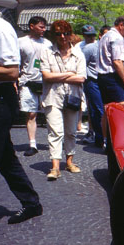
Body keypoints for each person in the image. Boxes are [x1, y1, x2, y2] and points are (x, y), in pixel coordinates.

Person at [0, 12, 43, 224]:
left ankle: (32, 204)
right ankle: (32, 204)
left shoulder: (1, 28)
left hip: (0, 99)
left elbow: (11, 72)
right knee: (6, 157)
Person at [40, 20, 87, 181]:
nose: (63, 37)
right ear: (54, 35)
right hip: (52, 97)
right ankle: (55, 167)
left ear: (70, 34)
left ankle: (69, 162)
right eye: (59, 34)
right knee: (55, 132)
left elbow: (81, 78)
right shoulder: (46, 52)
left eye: (66, 33)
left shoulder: (78, 54)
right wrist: (69, 74)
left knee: (71, 132)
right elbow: (46, 76)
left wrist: (58, 76)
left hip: (73, 97)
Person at [18, 16, 52, 157]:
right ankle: (33, 144)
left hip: (45, 82)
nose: (44, 29)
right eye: (41, 27)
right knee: (31, 114)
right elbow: (16, 63)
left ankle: (54, 142)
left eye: (44, 27)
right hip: (27, 82)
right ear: (32, 26)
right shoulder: (21, 42)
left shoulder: (48, 43)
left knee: (51, 113)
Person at [79, 24, 106, 148]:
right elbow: (81, 66)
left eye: (92, 35)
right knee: (97, 110)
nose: (91, 37)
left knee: (98, 110)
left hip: (104, 81)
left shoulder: (107, 47)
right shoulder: (86, 48)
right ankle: (99, 136)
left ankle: (99, 136)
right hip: (92, 81)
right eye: (88, 35)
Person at [97, 15, 124, 103]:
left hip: (102, 78)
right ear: (121, 25)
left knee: (108, 109)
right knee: (122, 107)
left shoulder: (106, 36)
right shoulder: (117, 38)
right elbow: (117, 62)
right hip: (113, 78)